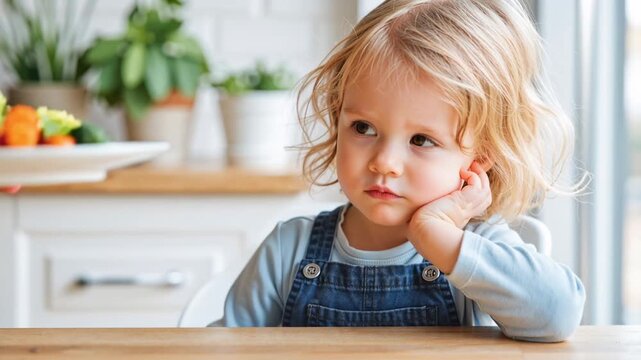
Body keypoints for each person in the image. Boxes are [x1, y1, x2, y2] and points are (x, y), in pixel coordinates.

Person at [210, 0, 587, 342]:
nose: (383, 162)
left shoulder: (479, 247)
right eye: (363, 128)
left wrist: (437, 236)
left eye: (421, 140)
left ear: (481, 156)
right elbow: (222, 348)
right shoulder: (288, 249)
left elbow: (558, 315)